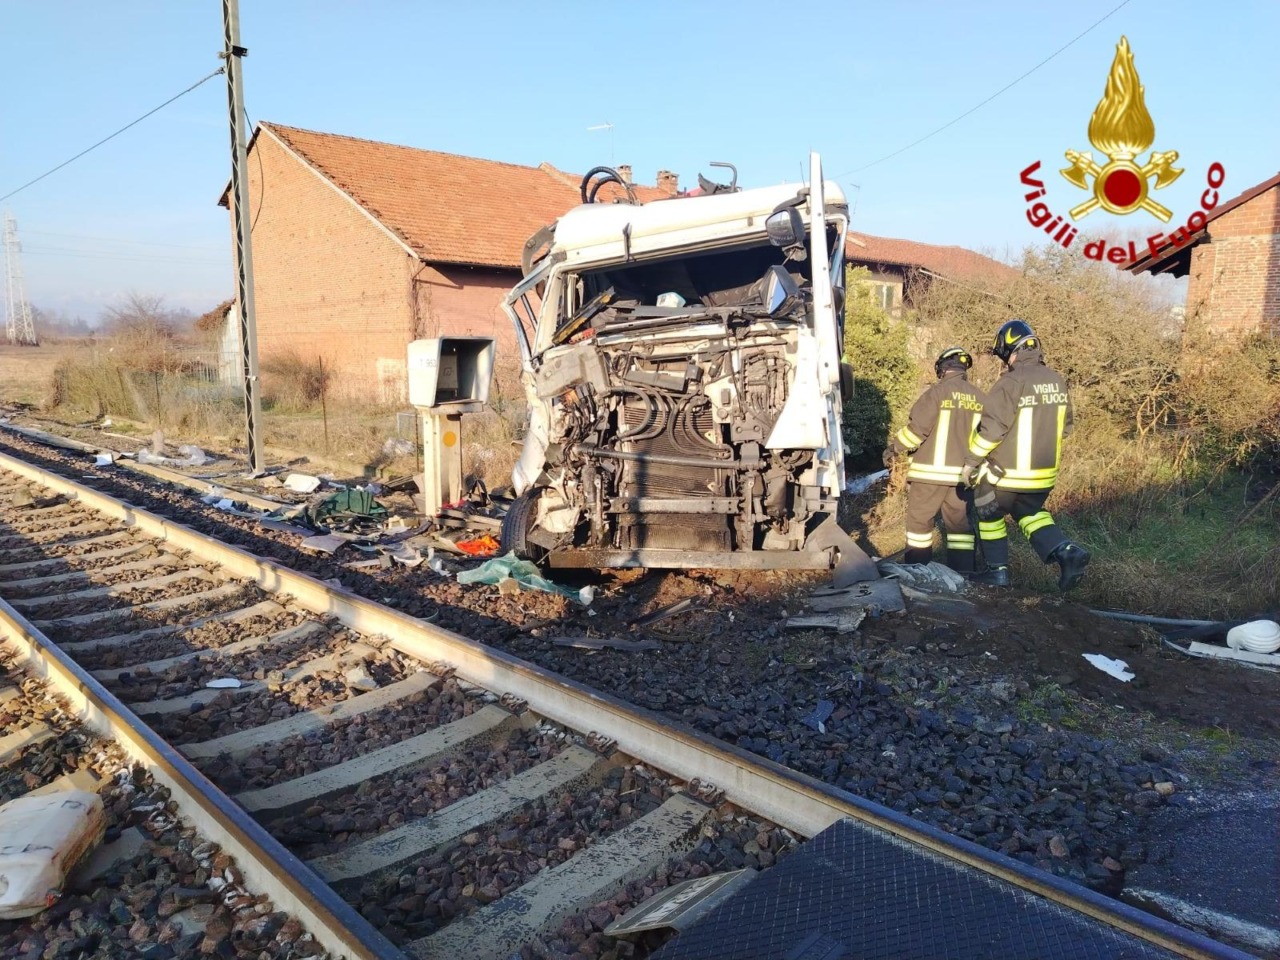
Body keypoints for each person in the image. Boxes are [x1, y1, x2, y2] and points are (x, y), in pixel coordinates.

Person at [961, 319, 1090, 590]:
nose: (1004, 363)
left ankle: (996, 573)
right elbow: (1065, 429)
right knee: (1030, 513)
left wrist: (970, 463)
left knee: (987, 511)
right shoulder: (1057, 380)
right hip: (1042, 479)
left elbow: (991, 430)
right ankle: (1066, 551)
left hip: (1007, 475)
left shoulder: (1012, 381)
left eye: (1004, 356)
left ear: (1011, 351)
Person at [883, 347, 984, 573]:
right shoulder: (980, 398)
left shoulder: (937, 393)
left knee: (920, 524)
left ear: (943, 368)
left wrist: (894, 448)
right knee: (960, 528)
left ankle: (918, 570)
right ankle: (963, 573)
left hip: (930, 475)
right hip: (963, 478)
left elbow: (916, 431)